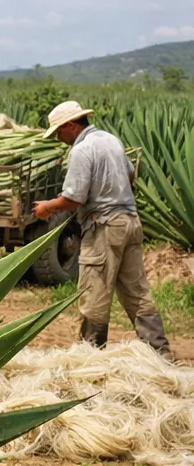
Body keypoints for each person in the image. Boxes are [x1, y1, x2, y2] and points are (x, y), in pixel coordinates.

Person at [32, 100, 170, 356]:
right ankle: (159, 351)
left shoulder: (81, 150)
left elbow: (73, 198)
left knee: (94, 289)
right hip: (130, 221)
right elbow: (130, 174)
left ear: (71, 125)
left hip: (103, 226)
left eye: (59, 132)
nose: (60, 138)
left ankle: (91, 354)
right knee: (136, 290)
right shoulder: (110, 140)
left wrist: (47, 207)